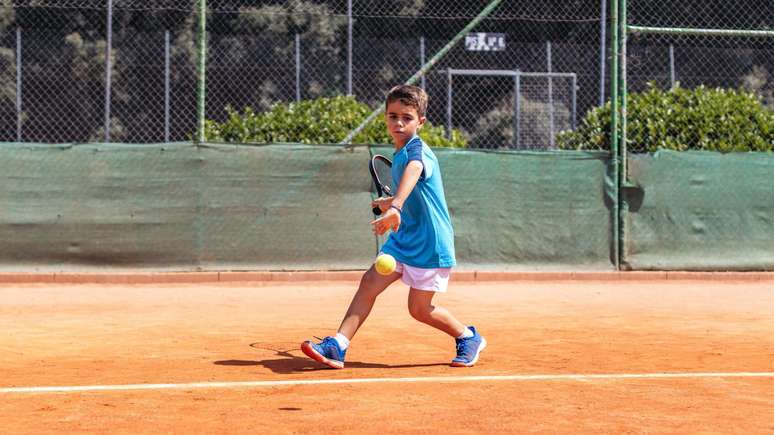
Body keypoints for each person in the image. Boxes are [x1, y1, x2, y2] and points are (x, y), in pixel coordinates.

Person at [300, 85, 485, 369]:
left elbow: (414, 172)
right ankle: (338, 345)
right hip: (404, 238)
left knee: (419, 310)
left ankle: (467, 336)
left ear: (420, 121)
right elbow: (413, 191)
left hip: (429, 243)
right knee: (369, 283)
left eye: (407, 117)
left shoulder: (417, 150)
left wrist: (396, 207)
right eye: (392, 116)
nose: (398, 123)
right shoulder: (398, 153)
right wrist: (391, 202)